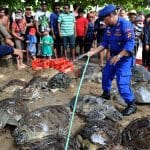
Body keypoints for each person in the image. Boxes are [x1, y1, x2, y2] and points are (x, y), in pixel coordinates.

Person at [86, 4, 137, 116]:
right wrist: (93, 52)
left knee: (122, 83)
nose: (104, 22)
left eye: (104, 19)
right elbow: (104, 43)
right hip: (113, 56)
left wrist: (119, 56)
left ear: (110, 16)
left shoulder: (125, 25)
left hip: (124, 58)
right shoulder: (109, 27)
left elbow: (130, 44)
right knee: (106, 74)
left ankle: (131, 104)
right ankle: (106, 93)